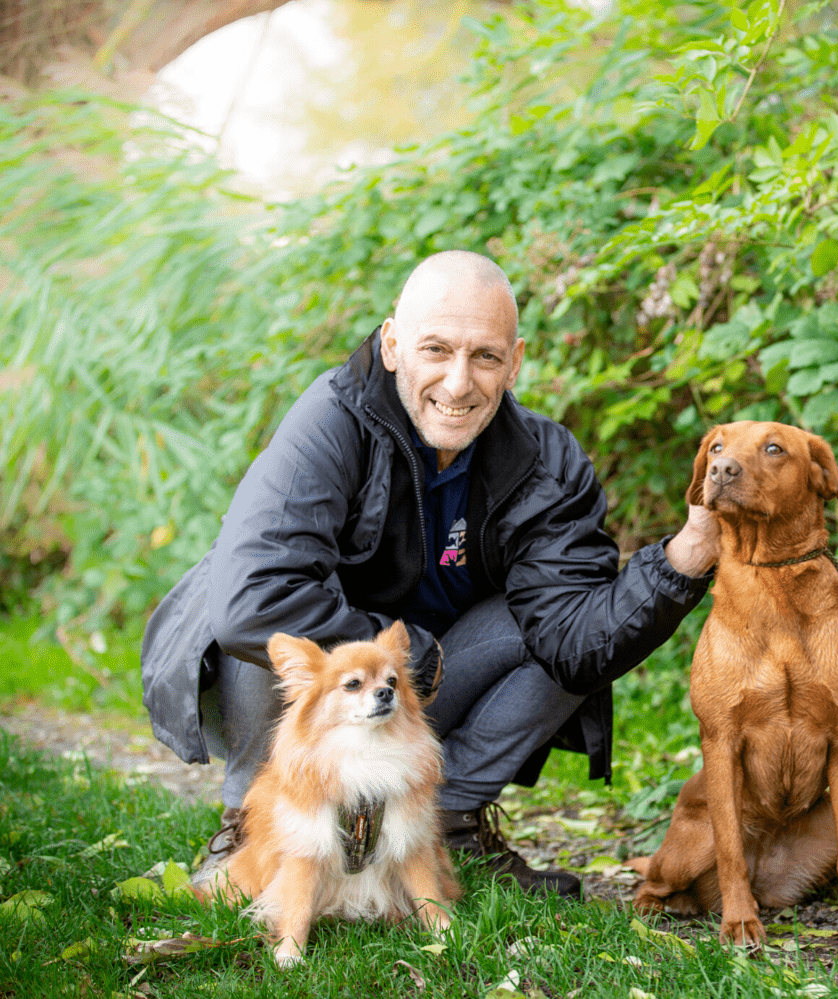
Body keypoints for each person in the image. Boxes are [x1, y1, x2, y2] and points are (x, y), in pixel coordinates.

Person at [141, 250, 719, 899]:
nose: (457, 382)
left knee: (549, 624)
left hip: (425, 687)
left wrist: (685, 558)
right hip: (336, 689)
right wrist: (405, 659)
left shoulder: (547, 462)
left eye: (485, 357)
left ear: (516, 361)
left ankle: (446, 823)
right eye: (436, 349)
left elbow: (575, 641)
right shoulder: (333, 418)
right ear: (392, 344)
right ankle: (256, 817)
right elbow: (254, 600)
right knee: (268, 594)